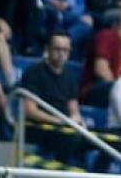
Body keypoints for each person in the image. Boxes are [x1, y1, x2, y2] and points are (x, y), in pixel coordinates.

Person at [17, 30, 85, 164]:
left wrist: (78, 121)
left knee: (97, 139)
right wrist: (58, 120)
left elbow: (74, 110)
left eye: (66, 50)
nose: (62, 54)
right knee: (71, 138)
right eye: (58, 49)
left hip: (64, 125)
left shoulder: (70, 77)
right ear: (47, 49)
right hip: (40, 126)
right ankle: (60, 174)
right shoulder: (34, 72)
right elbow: (30, 110)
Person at [79, 6, 121, 107]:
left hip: (119, 91)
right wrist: (119, 89)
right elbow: (101, 69)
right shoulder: (106, 36)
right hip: (96, 89)